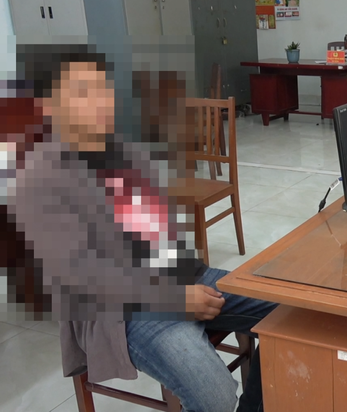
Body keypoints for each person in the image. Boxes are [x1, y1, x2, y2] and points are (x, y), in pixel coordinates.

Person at [4, 43, 276, 412]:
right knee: (215, 394)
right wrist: (175, 300)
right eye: (83, 93)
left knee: (292, 314)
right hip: (122, 312)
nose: (101, 101)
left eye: (102, 88)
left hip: (180, 275)